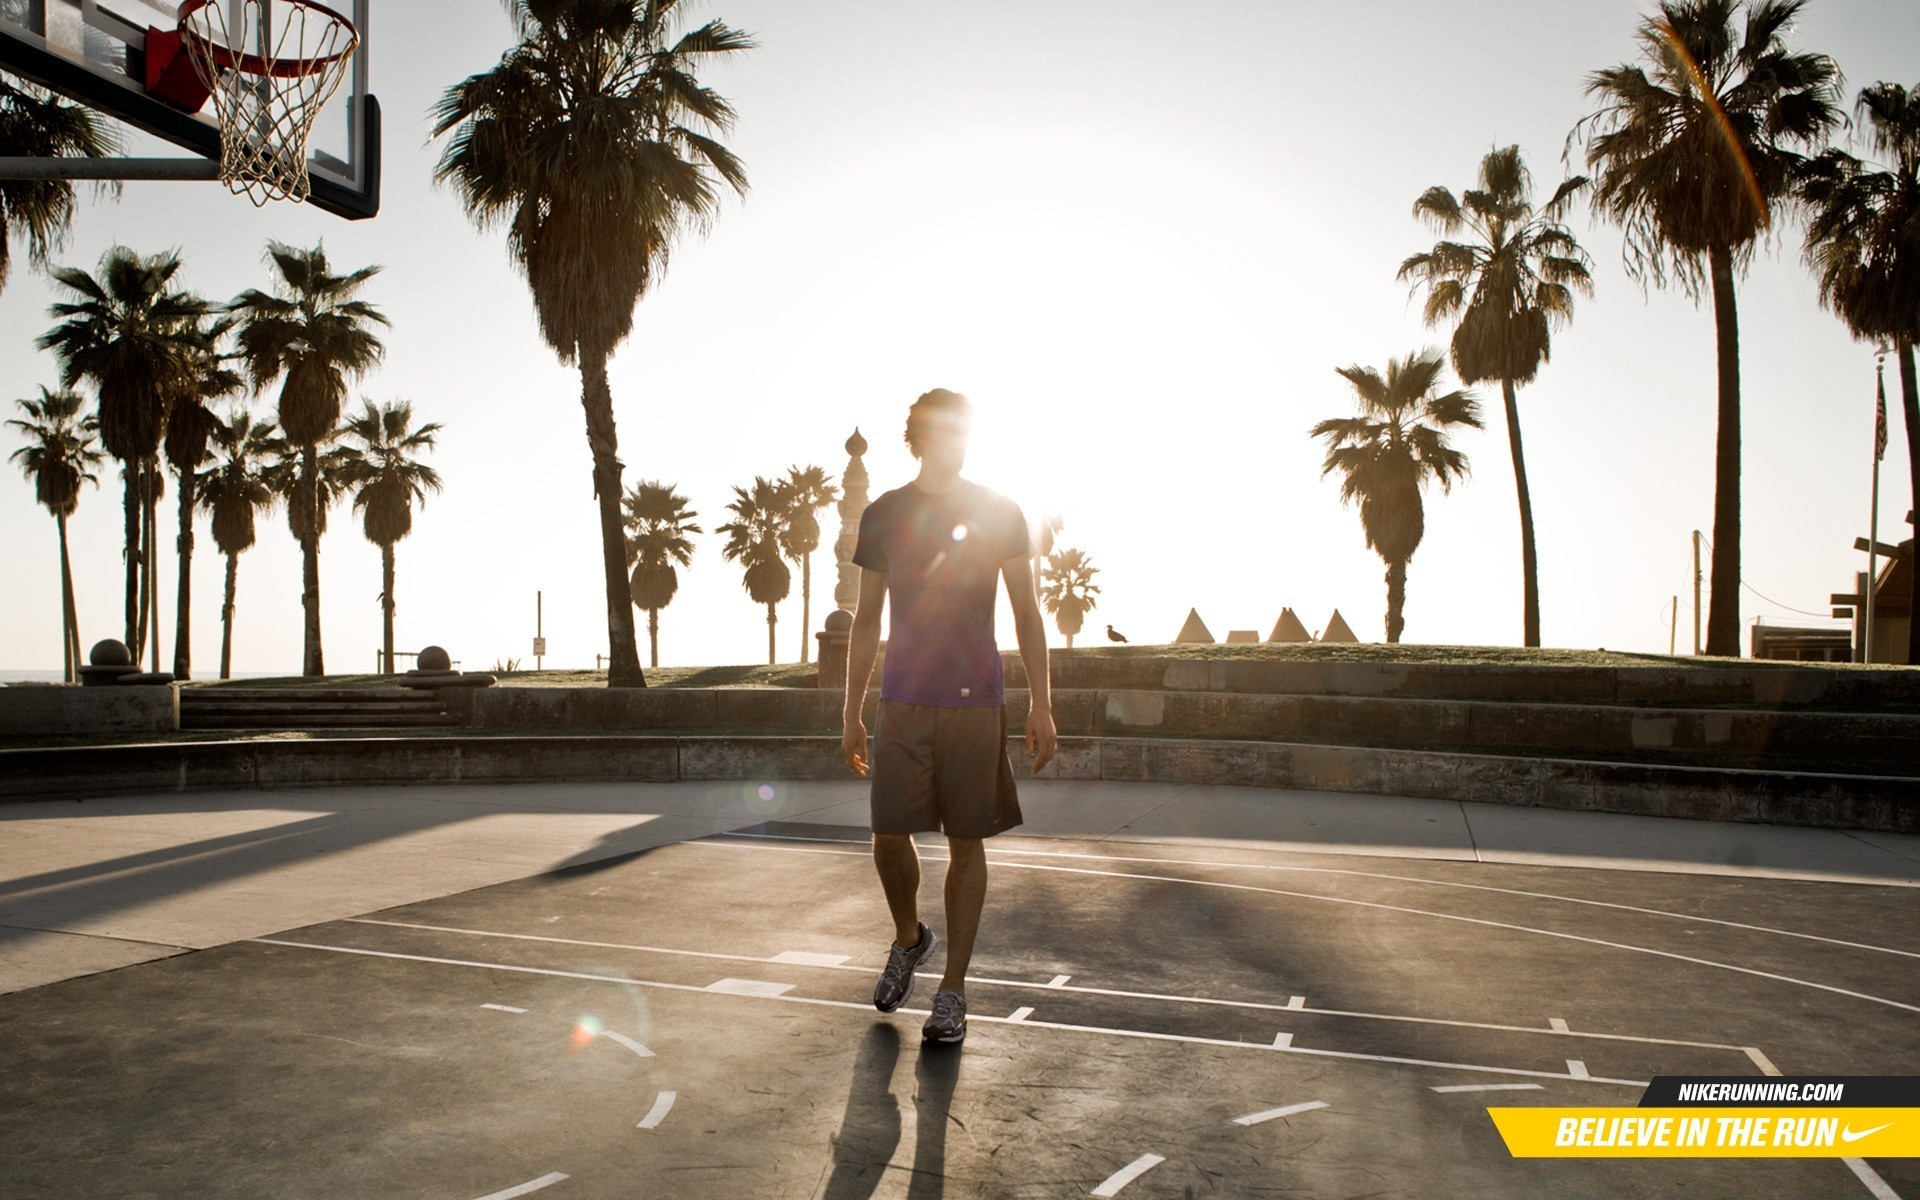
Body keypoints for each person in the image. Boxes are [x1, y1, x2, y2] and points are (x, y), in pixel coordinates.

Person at [842, 387, 1057, 1046]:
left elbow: (1027, 611)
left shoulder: (1000, 511)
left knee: (967, 846)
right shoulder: (884, 513)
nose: (956, 438)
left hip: (976, 702)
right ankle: (910, 938)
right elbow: (865, 617)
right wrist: (851, 710)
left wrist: (1042, 703)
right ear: (919, 436)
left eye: (964, 428)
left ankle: (953, 992)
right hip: (902, 701)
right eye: (944, 428)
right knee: (887, 836)